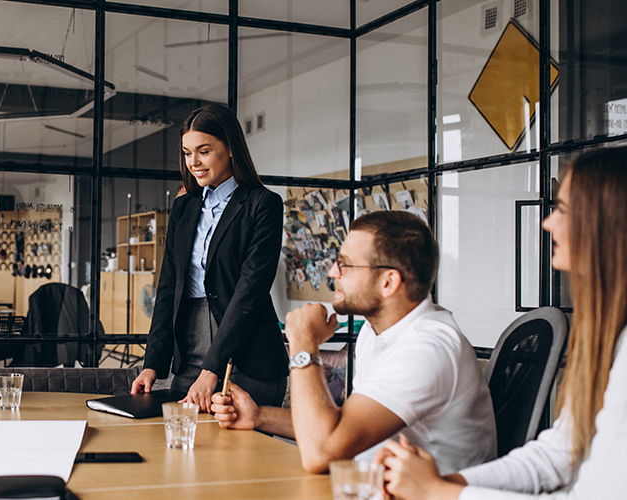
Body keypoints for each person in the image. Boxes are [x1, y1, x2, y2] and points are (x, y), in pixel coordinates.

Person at [377, 148, 627, 499]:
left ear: (609, 222)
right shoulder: (611, 337)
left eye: (564, 210)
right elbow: (555, 456)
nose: (547, 222)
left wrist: (437, 492)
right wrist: (444, 484)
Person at [211, 210, 496, 474]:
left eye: (345, 264)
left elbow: (320, 453)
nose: (333, 273)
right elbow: (340, 428)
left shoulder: (428, 349)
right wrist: (259, 416)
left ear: (388, 282)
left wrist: (303, 343)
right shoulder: (375, 332)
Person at [131, 103, 288, 411]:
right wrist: (153, 363)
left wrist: (212, 368)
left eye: (203, 151)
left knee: (238, 455)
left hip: (249, 356)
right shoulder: (184, 207)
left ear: (230, 148)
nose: (194, 162)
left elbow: (250, 292)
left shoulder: (263, 205)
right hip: (190, 349)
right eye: (187, 153)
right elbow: (168, 287)